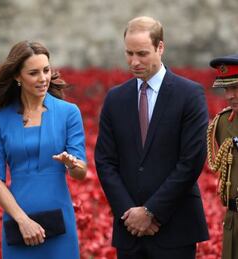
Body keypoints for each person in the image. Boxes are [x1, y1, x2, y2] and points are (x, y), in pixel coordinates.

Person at [94, 16, 209, 259]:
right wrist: (130, 214)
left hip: (175, 228)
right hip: (129, 231)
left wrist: (150, 212)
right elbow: (105, 161)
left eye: (142, 54)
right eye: (129, 53)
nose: (134, 62)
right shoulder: (115, 99)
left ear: (160, 47)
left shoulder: (189, 95)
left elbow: (191, 161)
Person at [0, 40, 87, 258]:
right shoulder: (1, 119)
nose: (43, 78)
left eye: (46, 70)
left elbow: (81, 172)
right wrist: (22, 220)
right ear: (18, 77)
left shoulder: (69, 113)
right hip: (19, 224)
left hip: (60, 223)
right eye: (34, 73)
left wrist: (72, 164)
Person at [207, 54, 238, 259]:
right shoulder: (223, 123)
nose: (229, 95)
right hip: (234, 220)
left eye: (236, 88)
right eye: (227, 89)